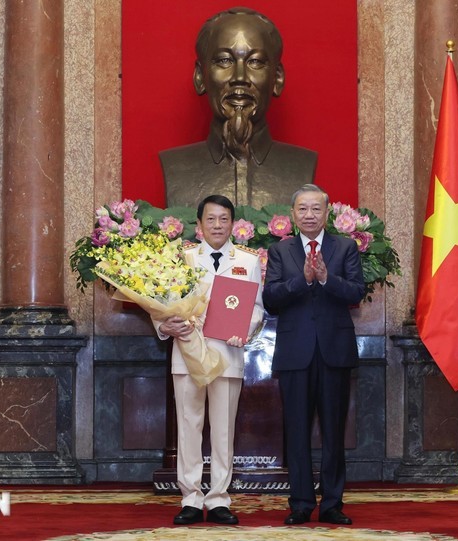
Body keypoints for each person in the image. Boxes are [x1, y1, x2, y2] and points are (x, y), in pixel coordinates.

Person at [154, 194, 264, 526]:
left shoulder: (249, 260)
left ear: (234, 224)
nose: (218, 225)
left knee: (223, 430)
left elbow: (257, 307)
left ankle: (218, 498)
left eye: (224, 219)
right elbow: (161, 302)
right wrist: (164, 324)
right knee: (189, 426)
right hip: (188, 352)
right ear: (199, 224)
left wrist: (244, 328)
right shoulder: (181, 258)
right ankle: (190, 497)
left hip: (227, 354)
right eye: (211, 219)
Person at [262, 184, 365, 526]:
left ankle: (333, 503)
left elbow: (356, 292)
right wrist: (303, 281)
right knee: (297, 430)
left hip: (334, 351)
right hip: (295, 353)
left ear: (327, 213)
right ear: (293, 214)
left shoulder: (345, 248)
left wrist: (325, 278)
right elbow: (271, 298)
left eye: (316, 209)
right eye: (303, 209)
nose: (309, 215)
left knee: (334, 431)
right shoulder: (281, 251)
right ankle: (301, 503)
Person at [160, 7, 317, 208]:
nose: (240, 78)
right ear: (200, 76)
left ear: (277, 78)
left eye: (255, 62)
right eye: (225, 61)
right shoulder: (176, 165)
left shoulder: (302, 164)